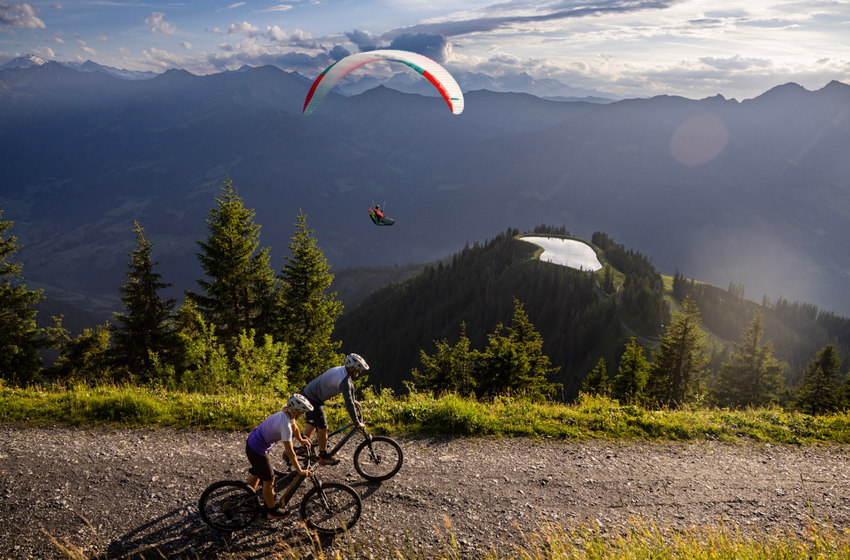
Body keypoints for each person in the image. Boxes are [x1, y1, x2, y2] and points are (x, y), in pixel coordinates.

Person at [245, 393, 313, 519]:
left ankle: (249, 496)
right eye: (302, 412)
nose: (303, 415)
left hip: (254, 442)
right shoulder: (285, 425)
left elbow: (295, 428)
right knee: (269, 479)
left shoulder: (288, 415)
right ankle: (272, 511)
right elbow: (290, 452)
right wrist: (300, 470)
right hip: (257, 447)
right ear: (296, 411)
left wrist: (302, 440)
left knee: (258, 471)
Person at [300, 353, 369, 465]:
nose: (360, 372)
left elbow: (350, 390)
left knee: (312, 424)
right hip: (313, 399)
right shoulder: (344, 381)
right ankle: (323, 457)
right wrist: (357, 422)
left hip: (308, 393)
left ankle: (301, 449)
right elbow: (349, 404)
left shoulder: (343, 371)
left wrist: (353, 400)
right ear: (351, 368)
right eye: (359, 369)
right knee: (323, 427)